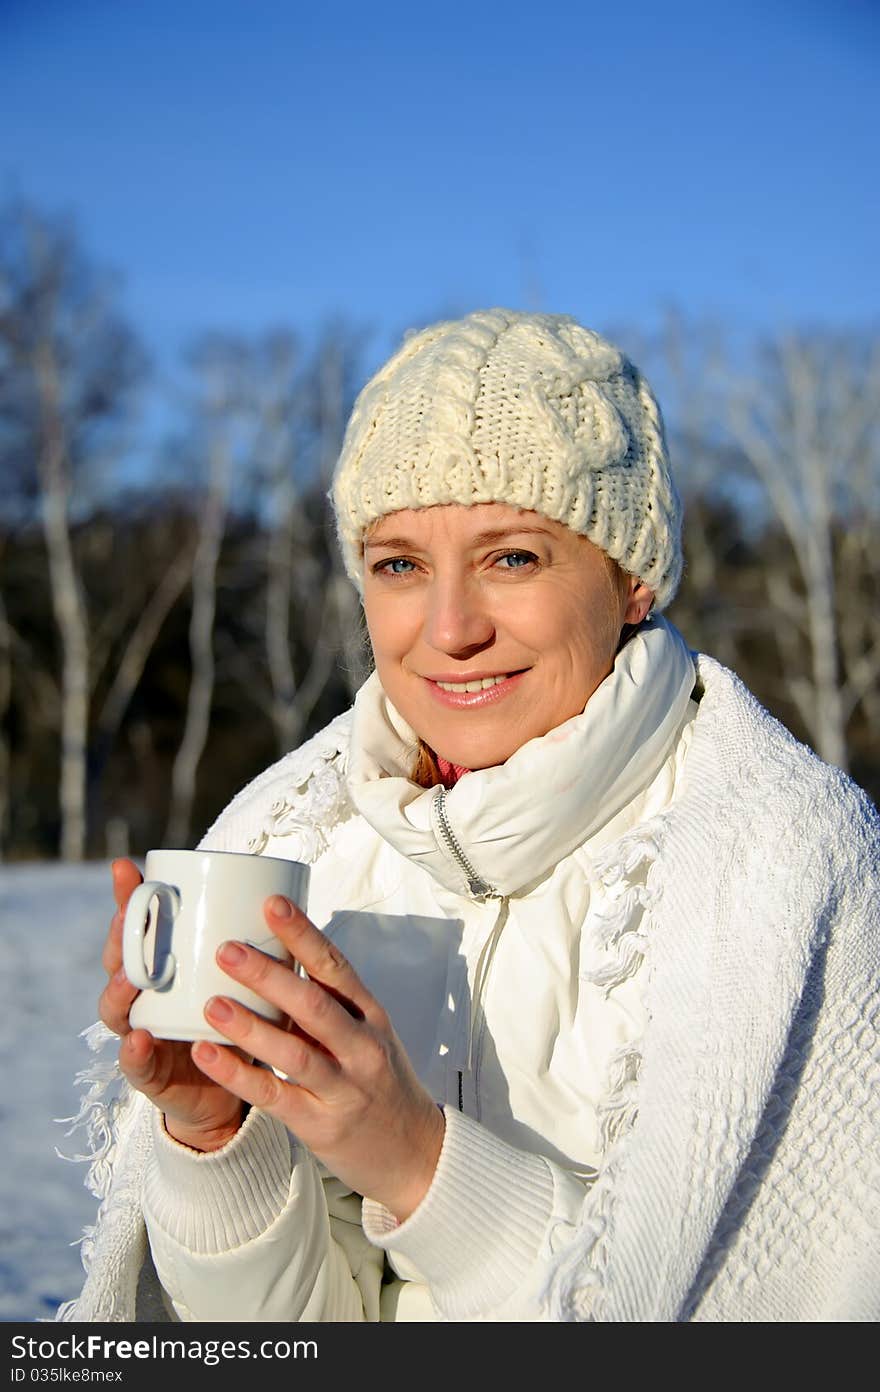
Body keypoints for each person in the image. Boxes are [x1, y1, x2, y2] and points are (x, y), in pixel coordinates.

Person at [57, 308, 880, 1323]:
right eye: (399, 564)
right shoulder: (293, 839)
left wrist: (416, 1163)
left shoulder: (784, 866)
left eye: (513, 558)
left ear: (632, 579)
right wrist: (218, 1140)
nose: (449, 630)